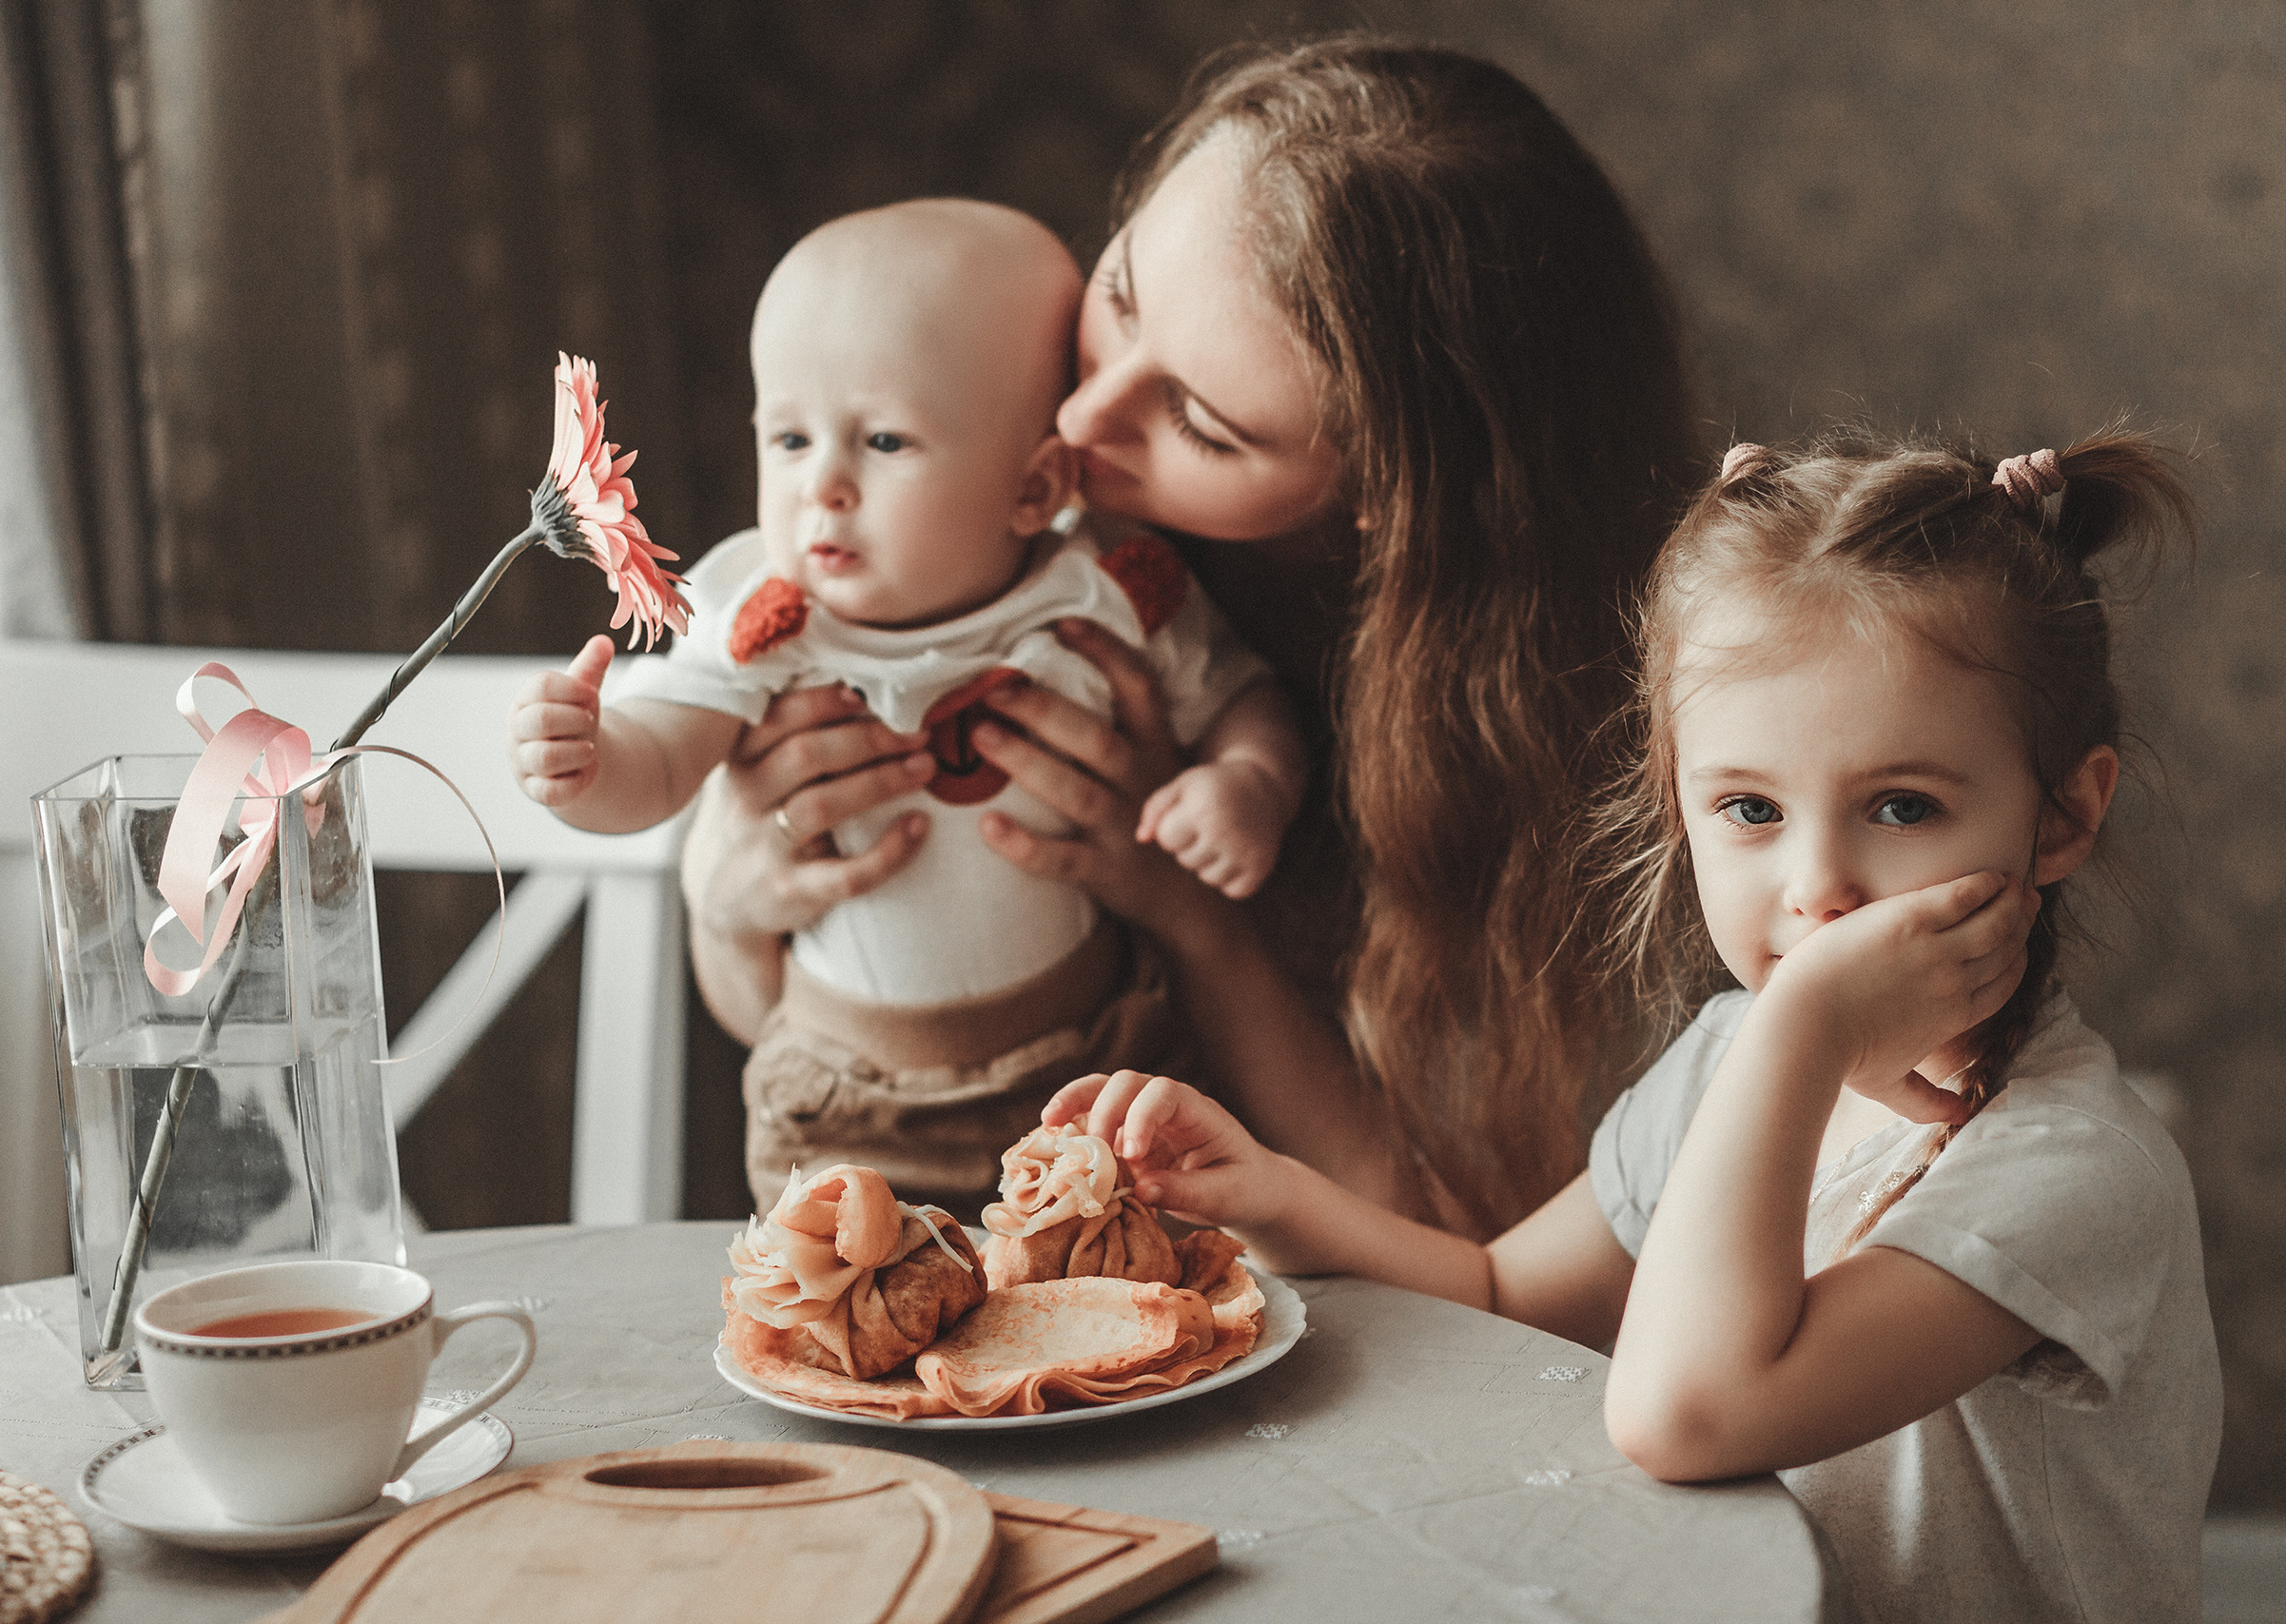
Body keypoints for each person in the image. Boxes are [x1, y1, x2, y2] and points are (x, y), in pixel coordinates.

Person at [1048, 431, 2219, 1624]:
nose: (1816, 883)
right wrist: (1272, 1197)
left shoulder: (2068, 1169)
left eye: (1901, 806)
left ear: (2064, 816)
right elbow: (1502, 1299)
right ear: (1679, 802)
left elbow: (1686, 1415)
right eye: (1750, 807)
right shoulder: (1739, 1052)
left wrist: (1799, 1035)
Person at [677, 38, 1700, 1238]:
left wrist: (1190, 913)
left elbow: (1457, 1240)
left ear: (1390, 494)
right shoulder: (961, 498)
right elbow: (804, 1026)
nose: (1078, 417)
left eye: (1201, 426)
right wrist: (730, 890)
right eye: (1118, 297)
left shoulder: (1579, 729)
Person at [508, 197, 1306, 1212]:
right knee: (847, 1320)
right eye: (789, 439)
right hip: (849, 1099)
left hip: (1099, 1071)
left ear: (1032, 489)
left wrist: (1247, 785)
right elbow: (662, 762)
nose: (822, 487)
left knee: (1104, 1317)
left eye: (883, 442)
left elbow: (1245, 701)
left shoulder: (1105, 592)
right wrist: (587, 764)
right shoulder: (768, 610)